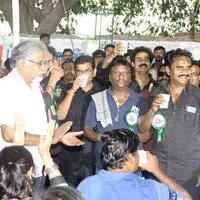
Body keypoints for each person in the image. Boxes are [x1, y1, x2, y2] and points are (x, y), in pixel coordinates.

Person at [0, 40, 83, 194]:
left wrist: (57, 137)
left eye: (46, 62)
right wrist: (50, 139)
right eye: (41, 63)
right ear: (22, 61)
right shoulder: (7, 87)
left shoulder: (35, 84)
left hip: (37, 166)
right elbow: (10, 134)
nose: (46, 68)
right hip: (15, 171)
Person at [139, 48, 200, 199]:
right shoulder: (156, 93)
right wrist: (152, 110)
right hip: (159, 169)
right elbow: (143, 129)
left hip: (189, 171)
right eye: (179, 67)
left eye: (188, 67)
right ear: (168, 69)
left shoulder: (197, 96)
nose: (185, 72)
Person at [78, 129, 191, 200]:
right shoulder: (149, 188)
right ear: (131, 158)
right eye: (137, 151)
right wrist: (156, 170)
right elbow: (186, 198)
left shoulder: (87, 185)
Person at [84, 56, 150, 170]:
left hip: (131, 164)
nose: (121, 76)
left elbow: (146, 135)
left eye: (125, 73)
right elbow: (87, 130)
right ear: (109, 77)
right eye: (116, 73)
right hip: (104, 164)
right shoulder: (97, 99)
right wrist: (102, 137)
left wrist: (123, 140)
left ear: (131, 77)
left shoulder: (140, 101)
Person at [57, 55, 103, 186]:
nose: (83, 74)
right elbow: (60, 115)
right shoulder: (67, 89)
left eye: (86, 71)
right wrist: (72, 91)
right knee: (68, 192)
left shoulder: (102, 92)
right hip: (68, 150)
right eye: (79, 71)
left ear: (94, 72)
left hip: (92, 151)